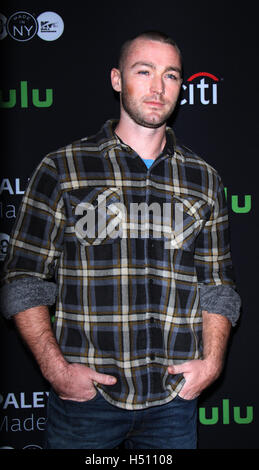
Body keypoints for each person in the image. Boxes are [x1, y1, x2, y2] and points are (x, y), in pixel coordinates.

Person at [0, 31, 241, 449]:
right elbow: (23, 280)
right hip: (86, 403)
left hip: (172, 401)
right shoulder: (63, 169)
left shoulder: (204, 179)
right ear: (117, 79)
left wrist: (212, 363)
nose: (156, 87)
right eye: (143, 71)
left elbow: (217, 286)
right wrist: (56, 371)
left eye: (170, 75)